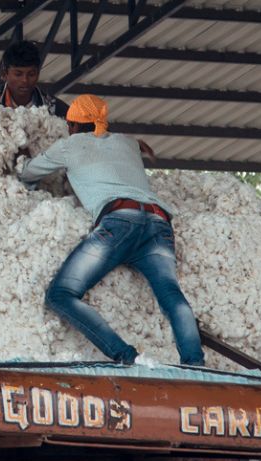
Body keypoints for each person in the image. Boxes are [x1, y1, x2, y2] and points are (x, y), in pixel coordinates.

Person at [19, 94, 205, 366]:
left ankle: (125, 356)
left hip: (119, 221)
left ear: (71, 125)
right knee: (172, 297)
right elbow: (127, 144)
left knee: (61, 294)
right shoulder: (127, 142)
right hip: (158, 223)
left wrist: (23, 155)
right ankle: (195, 363)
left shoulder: (69, 146)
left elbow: (26, 174)